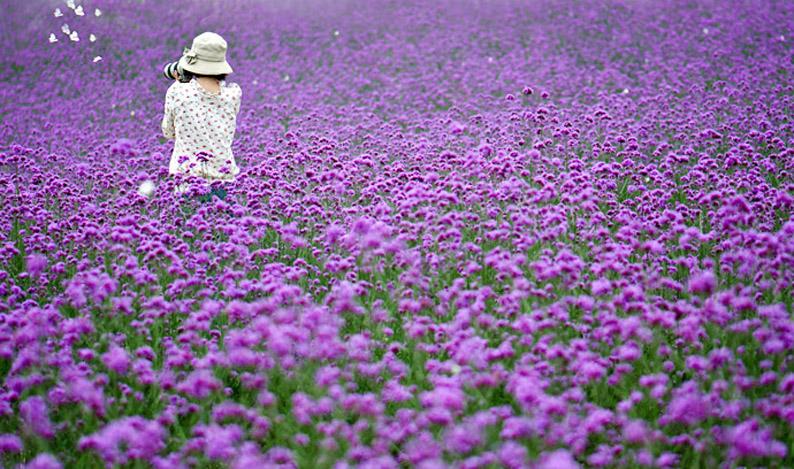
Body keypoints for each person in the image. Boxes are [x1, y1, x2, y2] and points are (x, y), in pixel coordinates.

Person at [161, 31, 242, 201]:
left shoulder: (178, 92)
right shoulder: (233, 95)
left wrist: (180, 83)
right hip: (224, 180)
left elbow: (168, 132)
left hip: (188, 181)